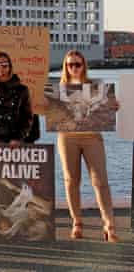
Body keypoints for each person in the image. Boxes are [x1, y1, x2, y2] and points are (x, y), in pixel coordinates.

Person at [55, 50, 118, 242]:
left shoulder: (96, 87)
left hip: (92, 137)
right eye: (69, 64)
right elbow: (51, 116)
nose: (73, 68)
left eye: (77, 64)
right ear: (65, 67)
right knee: (71, 181)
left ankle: (109, 225)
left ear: (84, 66)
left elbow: (106, 112)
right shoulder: (57, 88)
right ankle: (77, 223)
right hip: (67, 138)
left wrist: (114, 106)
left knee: (100, 181)